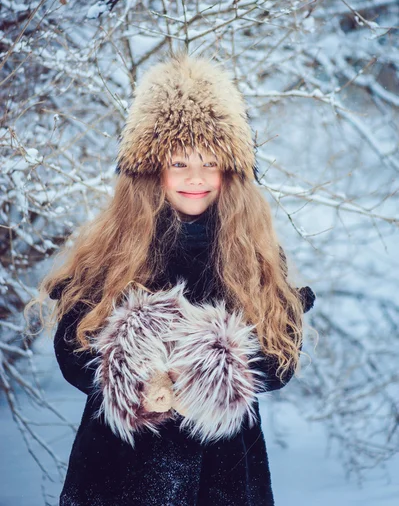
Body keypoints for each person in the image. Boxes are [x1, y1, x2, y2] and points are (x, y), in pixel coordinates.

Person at [27, 51, 316, 506]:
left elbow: (282, 355)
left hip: (225, 477)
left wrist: (212, 372)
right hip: (118, 474)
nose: (195, 177)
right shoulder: (111, 250)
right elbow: (72, 346)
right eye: (179, 163)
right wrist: (137, 378)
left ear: (231, 172)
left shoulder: (254, 255)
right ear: (151, 169)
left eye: (209, 163)